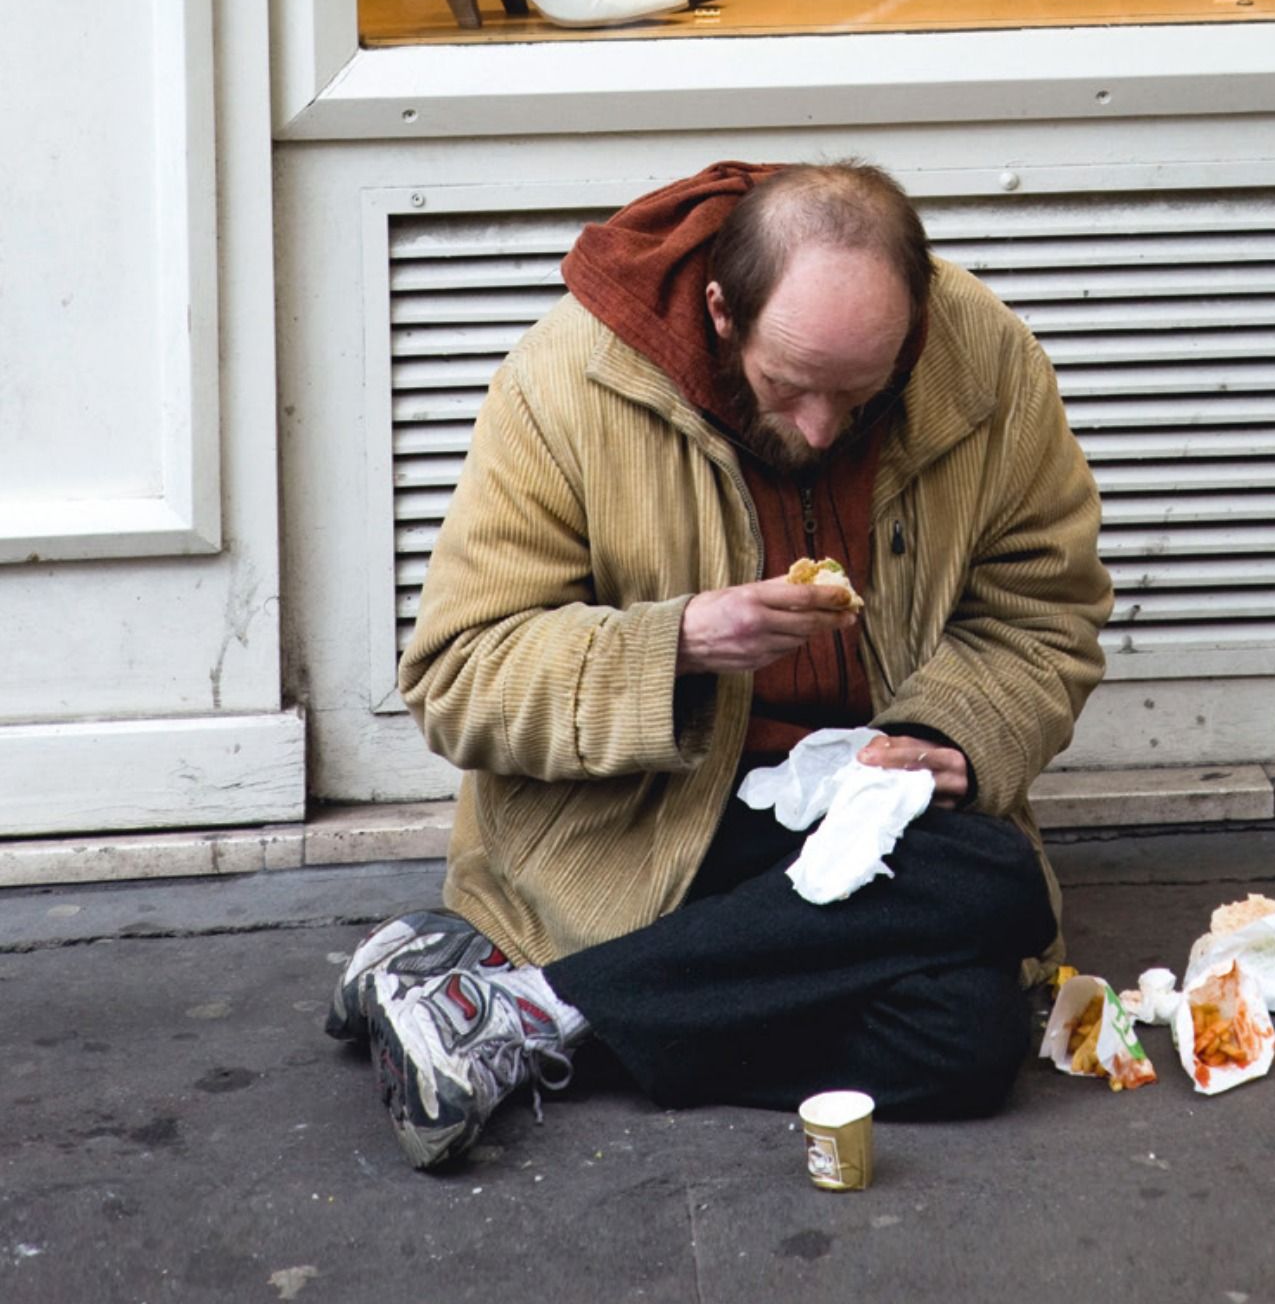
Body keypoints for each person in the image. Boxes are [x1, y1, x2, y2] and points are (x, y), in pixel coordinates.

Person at [328, 160, 1113, 1170]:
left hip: (861, 802)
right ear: (720, 312)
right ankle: (589, 992)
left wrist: (945, 736)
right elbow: (458, 674)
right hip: (645, 824)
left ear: (913, 325)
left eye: (860, 392)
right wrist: (681, 645)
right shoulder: (567, 378)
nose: (822, 426)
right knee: (984, 898)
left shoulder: (984, 359)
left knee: (970, 1036)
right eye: (789, 385)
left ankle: (517, 1008)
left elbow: (1043, 611)